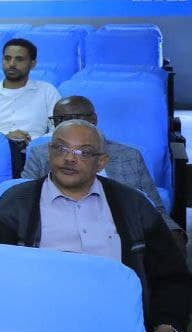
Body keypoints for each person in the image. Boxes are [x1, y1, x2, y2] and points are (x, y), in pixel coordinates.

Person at [0, 120, 191, 332]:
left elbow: (172, 278)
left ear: (101, 162)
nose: (69, 158)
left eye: (84, 152)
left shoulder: (132, 205)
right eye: (61, 148)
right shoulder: (16, 203)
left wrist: (167, 328)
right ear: (49, 152)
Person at [22, 96, 178, 232]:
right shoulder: (40, 154)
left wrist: (174, 232)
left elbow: (155, 208)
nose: (68, 125)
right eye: (59, 120)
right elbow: (24, 202)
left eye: (74, 118)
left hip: (121, 232)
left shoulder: (129, 156)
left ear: (93, 120)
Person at [0, 38, 62, 144]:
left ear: (32, 64)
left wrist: (31, 142)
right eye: (7, 58)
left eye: (19, 59)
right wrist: (4, 140)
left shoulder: (47, 92)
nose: (11, 64)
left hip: (34, 150)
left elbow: (59, 131)